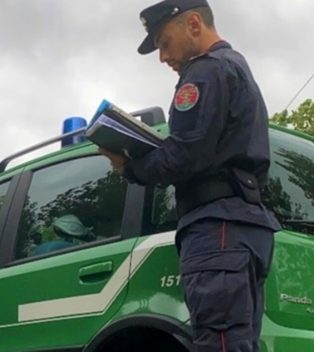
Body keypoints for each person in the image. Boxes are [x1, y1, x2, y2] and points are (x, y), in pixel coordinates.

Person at [99, 1, 281, 351]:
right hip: (246, 226)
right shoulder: (237, 67)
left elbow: (184, 155)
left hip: (218, 225)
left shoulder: (205, 72)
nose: (163, 58)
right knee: (237, 343)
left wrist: (129, 166)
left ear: (194, 24)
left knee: (219, 344)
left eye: (164, 43)